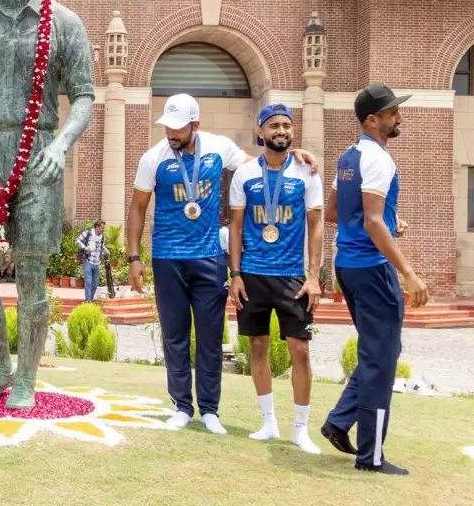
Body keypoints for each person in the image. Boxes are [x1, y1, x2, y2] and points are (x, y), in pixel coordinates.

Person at [127, 93, 315, 435]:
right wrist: (134, 257)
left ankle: (210, 410)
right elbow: (138, 207)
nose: (171, 132)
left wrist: (295, 155)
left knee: (211, 336)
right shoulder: (153, 158)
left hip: (209, 256)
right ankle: (182, 406)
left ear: (195, 124)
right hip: (167, 257)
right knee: (174, 335)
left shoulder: (219, 147)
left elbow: (260, 164)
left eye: (178, 127)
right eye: (167, 125)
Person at [320, 84, 428, 475]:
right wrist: (409, 273)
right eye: (392, 112)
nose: (399, 117)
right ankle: (370, 457)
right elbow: (370, 219)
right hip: (370, 268)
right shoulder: (380, 159)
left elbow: (335, 212)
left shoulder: (348, 157)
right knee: (381, 361)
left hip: (348, 266)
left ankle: (338, 421)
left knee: (378, 354)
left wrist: (385, 222)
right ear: (373, 119)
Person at [228, 104, 323, 454]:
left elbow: (315, 227)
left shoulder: (306, 172)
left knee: (300, 350)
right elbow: (236, 227)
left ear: (293, 132)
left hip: (291, 276)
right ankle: (268, 422)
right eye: (273, 126)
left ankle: (301, 428)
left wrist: (314, 277)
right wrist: (235, 274)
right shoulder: (245, 173)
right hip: (252, 275)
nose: (281, 131)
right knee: (257, 347)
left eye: (286, 126)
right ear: (260, 132)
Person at [76, 220, 106, 302]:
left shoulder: (102, 237)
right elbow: (77, 240)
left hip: (97, 263)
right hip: (88, 261)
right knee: (88, 282)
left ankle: (91, 299)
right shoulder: (88, 233)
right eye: (102, 228)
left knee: (95, 284)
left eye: (103, 228)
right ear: (97, 227)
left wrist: (106, 251)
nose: (103, 230)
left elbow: (102, 247)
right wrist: (85, 247)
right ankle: (88, 301)